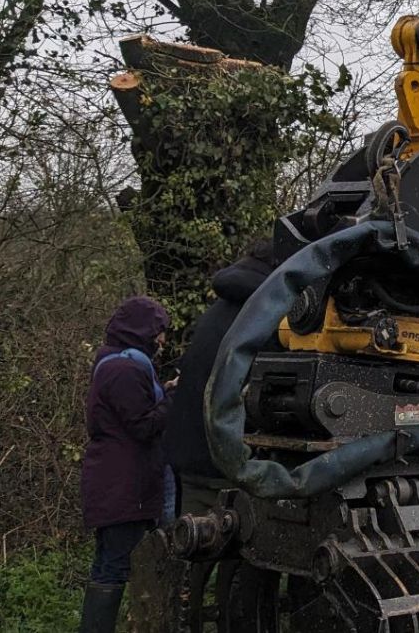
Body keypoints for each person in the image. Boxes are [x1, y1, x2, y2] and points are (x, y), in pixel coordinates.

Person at [79, 296, 175, 633]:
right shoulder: (127, 368)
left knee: (109, 563)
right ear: (144, 330)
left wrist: (163, 391)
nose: (163, 340)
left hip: (115, 482)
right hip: (124, 485)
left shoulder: (119, 364)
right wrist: (173, 400)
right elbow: (142, 425)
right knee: (120, 565)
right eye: (159, 331)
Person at [163, 241, 278, 516]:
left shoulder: (217, 310)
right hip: (232, 466)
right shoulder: (272, 316)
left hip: (191, 458)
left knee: (194, 547)